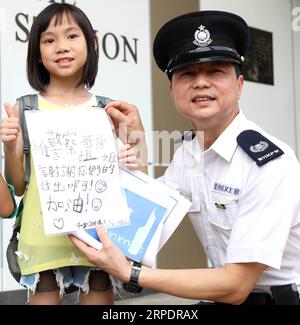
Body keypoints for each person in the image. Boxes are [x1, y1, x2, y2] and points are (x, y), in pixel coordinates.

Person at [70, 10, 300, 305]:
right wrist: (135, 138)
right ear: (172, 89)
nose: (201, 83)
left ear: (239, 85)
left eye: (216, 71)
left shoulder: (269, 163)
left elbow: (236, 284)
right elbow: (145, 213)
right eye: (188, 74)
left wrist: (132, 273)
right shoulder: (189, 153)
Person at [0, 3, 140, 305]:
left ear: (92, 44)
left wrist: (135, 138)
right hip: (42, 238)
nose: (61, 47)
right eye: (49, 40)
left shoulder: (108, 109)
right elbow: (19, 187)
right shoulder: (25, 107)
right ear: (38, 52)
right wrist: (11, 148)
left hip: (98, 234)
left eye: (72, 36)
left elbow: (135, 173)